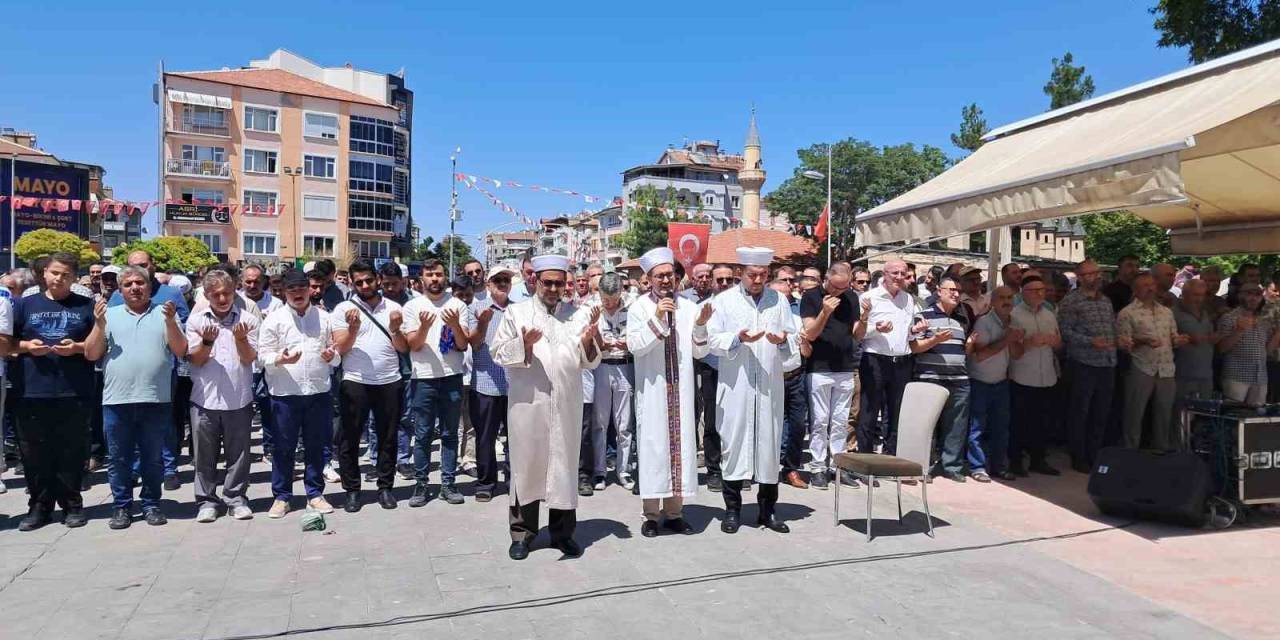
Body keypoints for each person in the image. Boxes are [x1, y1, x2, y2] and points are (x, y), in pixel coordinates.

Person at [490, 254, 602, 560]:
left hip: (566, 403)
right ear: (535, 282)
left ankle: (562, 534)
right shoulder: (517, 313)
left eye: (559, 283)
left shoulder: (577, 315)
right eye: (547, 283)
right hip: (529, 403)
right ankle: (522, 534)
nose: (554, 289)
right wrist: (524, 346)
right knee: (527, 466)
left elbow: (588, 359)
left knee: (563, 467)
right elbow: (498, 352)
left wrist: (591, 340)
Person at [704, 247, 796, 534]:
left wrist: (782, 341)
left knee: (768, 446)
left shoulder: (778, 300)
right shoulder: (724, 301)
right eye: (752, 275)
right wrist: (737, 338)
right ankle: (732, 511)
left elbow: (792, 340)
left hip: (768, 386)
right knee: (734, 444)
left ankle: (767, 511)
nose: (757, 280)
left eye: (762, 275)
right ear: (740, 274)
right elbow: (712, 340)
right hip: (737, 386)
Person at [12, 253, 106, 531]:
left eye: (65, 274)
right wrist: (29, 347)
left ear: (74, 277)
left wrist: (76, 347)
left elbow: (95, 351)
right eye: (54, 273)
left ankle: (72, 505)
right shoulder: (24, 305)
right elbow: (8, 345)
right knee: (34, 453)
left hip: (73, 390)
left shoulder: (86, 306)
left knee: (72, 451)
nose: (59, 278)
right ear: (44, 274)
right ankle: (39, 506)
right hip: (32, 390)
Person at [626, 247, 710, 536]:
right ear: (648, 279)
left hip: (682, 390)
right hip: (652, 391)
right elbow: (635, 345)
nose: (665, 280)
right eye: (659, 276)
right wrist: (658, 320)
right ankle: (650, 515)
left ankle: (674, 512)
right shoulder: (639, 308)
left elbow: (700, 350)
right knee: (653, 448)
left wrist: (700, 326)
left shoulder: (688, 307)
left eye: (669, 275)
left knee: (681, 447)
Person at [258, 270, 342, 518]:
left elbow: (335, 355)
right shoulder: (274, 320)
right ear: (284, 292)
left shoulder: (325, 318)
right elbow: (262, 356)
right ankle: (282, 496)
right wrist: (280, 359)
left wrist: (331, 357)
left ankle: (315, 494)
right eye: (292, 290)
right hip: (285, 394)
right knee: (284, 447)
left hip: (317, 392)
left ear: (310, 290)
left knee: (317, 446)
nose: (297, 294)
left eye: (301, 289)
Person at [331, 261, 408, 512]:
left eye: (368, 280)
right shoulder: (344, 308)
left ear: (377, 279)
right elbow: (340, 349)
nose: (365, 286)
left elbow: (403, 348)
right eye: (359, 282)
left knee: (388, 438)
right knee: (350, 438)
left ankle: (385, 488)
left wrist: (396, 330)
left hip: (389, 381)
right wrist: (352, 329)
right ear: (352, 283)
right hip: (355, 381)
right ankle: (352, 490)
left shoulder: (394, 308)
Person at [186, 270, 259, 523]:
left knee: (238, 453)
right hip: (204, 399)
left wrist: (240, 339)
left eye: (226, 293)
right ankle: (206, 500)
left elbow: (250, 358)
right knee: (204, 454)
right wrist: (206, 342)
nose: (222, 298)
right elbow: (194, 360)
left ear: (235, 291)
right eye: (215, 294)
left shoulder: (248, 319)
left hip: (238, 397)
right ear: (206, 295)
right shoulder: (196, 321)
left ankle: (236, 498)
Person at [401, 260, 474, 506]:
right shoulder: (412, 306)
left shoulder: (457, 305)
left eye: (439, 274)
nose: (435, 279)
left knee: (449, 433)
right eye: (430, 274)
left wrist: (454, 324)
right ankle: (421, 484)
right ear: (422, 278)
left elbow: (463, 345)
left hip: (451, 376)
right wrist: (423, 327)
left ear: (446, 277)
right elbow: (413, 345)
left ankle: (448, 483)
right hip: (423, 379)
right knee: (422, 434)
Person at [800, 262, 864, 489]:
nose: (839, 292)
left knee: (840, 421)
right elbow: (810, 333)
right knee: (819, 420)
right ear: (826, 279)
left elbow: (857, 334)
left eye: (844, 287)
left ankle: (839, 465)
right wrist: (825, 312)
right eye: (835, 287)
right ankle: (817, 467)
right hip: (820, 367)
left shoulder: (851, 297)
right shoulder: (811, 296)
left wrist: (865, 320)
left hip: (845, 366)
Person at [910, 276, 974, 482]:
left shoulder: (962, 318)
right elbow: (914, 347)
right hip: (930, 378)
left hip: (959, 379)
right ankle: (923, 466)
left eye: (958, 290)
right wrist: (935, 339)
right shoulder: (923, 316)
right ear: (939, 290)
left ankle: (951, 466)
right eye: (951, 289)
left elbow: (963, 350)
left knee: (956, 425)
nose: (956, 293)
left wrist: (971, 345)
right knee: (927, 424)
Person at [1056, 260, 1118, 472]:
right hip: (1083, 363)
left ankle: (1095, 454)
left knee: (1101, 414)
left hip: (1107, 363)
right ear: (1080, 278)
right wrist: (1090, 341)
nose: (1096, 277)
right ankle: (1079, 456)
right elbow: (1065, 332)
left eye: (1097, 272)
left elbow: (1112, 328)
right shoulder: (1071, 301)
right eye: (1090, 274)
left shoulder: (1106, 301)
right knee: (1080, 413)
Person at [1116, 273, 1188, 450]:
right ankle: (1130, 451)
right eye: (1144, 286)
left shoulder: (1166, 312)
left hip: (1166, 368)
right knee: (1135, 413)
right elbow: (1123, 344)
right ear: (1135, 290)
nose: (1150, 289)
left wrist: (1179, 340)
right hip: (1142, 366)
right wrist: (1142, 341)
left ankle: (1160, 450)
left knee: (1164, 413)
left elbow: (1173, 337)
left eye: (1152, 285)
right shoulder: (1127, 313)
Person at [856, 260, 916, 455]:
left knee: (897, 412)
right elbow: (858, 333)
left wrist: (915, 330)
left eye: (903, 274)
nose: (899, 277)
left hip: (902, 360)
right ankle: (865, 458)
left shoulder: (908, 299)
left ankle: (890, 457)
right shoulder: (868, 297)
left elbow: (907, 332)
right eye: (895, 273)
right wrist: (876, 329)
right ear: (884, 274)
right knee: (869, 411)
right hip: (875, 359)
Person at [468, 265, 514, 502]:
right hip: (485, 384)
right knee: (485, 437)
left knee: (516, 437)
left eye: (506, 279)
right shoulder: (475, 308)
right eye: (498, 279)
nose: (503, 283)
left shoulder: (519, 310)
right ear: (488, 284)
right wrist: (482, 324)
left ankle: (514, 480)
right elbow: (473, 344)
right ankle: (486, 482)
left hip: (515, 384)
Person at [585, 272, 635, 491]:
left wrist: (629, 343)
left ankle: (624, 470)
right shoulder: (591, 308)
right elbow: (586, 338)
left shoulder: (633, 307)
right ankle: (599, 471)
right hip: (602, 368)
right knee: (600, 423)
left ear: (620, 293)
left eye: (613, 299)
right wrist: (596, 334)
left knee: (624, 423)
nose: (609, 303)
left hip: (625, 365)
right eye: (605, 299)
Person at [1008, 276, 1061, 476]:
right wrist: (1030, 342)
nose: (1039, 294)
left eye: (1042, 289)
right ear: (1022, 293)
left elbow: (1059, 342)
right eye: (1033, 290)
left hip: (1046, 375)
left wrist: (1055, 342)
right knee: (1019, 422)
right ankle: (1015, 461)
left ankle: (1038, 459)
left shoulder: (1049, 314)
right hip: (1022, 375)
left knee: (1042, 422)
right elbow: (1013, 349)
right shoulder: (1015, 315)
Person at [968, 286, 1019, 481]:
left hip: (1001, 381)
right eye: (1002, 298)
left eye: (1010, 297)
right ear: (993, 302)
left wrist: (1016, 341)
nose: (1007, 301)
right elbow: (980, 355)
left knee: (1001, 427)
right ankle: (977, 467)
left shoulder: (1013, 322)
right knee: (977, 427)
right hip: (980, 380)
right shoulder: (984, 322)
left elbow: (1016, 354)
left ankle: (999, 466)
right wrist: (1007, 339)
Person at [774, 270, 809, 489]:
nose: (781, 302)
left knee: (797, 425)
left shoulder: (797, 320)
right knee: (767, 426)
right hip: (770, 379)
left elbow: (806, 352)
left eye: (785, 297)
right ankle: (759, 470)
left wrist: (804, 342)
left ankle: (791, 469)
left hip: (795, 377)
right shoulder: (761, 322)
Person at [1217, 284, 1279, 405]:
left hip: (1260, 378)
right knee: (1233, 417)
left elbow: (1267, 351)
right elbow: (1221, 348)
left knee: (1255, 420)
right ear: (1240, 295)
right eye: (1249, 293)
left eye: (1257, 294)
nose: (1253, 298)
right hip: (1236, 377)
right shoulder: (1229, 318)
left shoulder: (1263, 321)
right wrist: (1239, 330)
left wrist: (1278, 334)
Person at [1174, 280, 1218, 416]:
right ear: (1184, 294)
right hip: (1182, 375)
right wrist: (1188, 339)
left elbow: (1209, 335)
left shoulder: (1205, 314)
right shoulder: (1172, 313)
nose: (1199, 299)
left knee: (1204, 416)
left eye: (1201, 295)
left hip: (1205, 375)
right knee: (1179, 417)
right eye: (1195, 295)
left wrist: (1214, 337)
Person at [450, 276, 479, 478]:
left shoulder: (478, 311)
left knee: (471, 424)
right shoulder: (447, 313)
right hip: (453, 375)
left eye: (468, 295)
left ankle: (468, 460)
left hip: (474, 376)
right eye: (460, 296)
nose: (465, 300)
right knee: (452, 424)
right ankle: (450, 461)